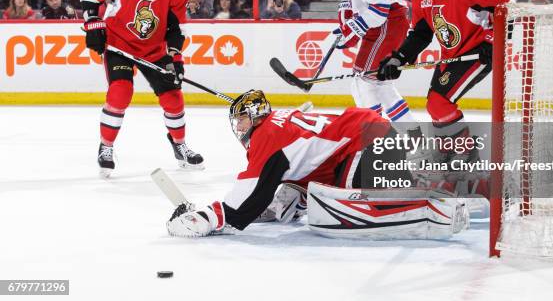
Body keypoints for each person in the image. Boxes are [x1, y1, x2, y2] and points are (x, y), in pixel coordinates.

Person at [165, 90, 469, 238]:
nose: (240, 127)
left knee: (343, 205)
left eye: (242, 119)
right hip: (367, 136)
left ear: (256, 116)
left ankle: (436, 205)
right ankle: (444, 175)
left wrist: (203, 218)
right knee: (306, 191)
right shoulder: (278, 124)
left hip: (364, 144)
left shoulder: (267, 135)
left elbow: (246, 197)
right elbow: (271, 197)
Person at [80, 0, 204, 177]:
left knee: (173, 98)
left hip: (154, 50)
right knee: (120, 92)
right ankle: (106, 147)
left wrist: (175, 58)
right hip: (119, 45)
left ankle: (180, 145)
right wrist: (93, 22)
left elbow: (177, 28)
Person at [377, 0, 510, 164]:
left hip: (479, 51)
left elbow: (507, 6)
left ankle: (467, 153)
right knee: (434, 105)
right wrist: (398, 57)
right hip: (453, 54)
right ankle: (448, 149)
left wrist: (492, 40)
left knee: (440, 102)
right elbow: (421, 34)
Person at [334, 0, 416, 125]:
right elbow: (359, 0)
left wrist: (354, 28)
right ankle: (412, 133)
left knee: (363, 81)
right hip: (383, 22)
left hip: (388, 21)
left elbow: (380, 9)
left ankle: (374, 137)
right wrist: (350, 21)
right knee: (379, 84)